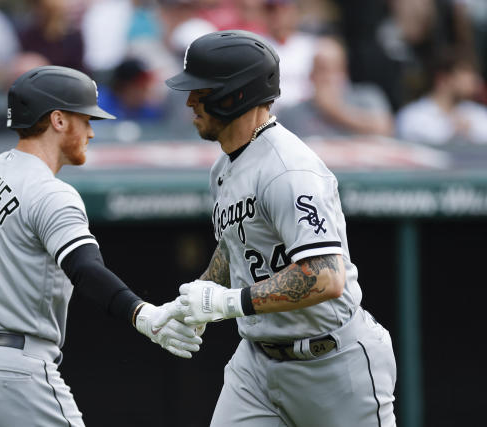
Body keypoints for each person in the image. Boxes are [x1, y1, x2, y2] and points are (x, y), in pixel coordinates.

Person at [0, 65, 202, 426]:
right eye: (85, 119)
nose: (91, 131)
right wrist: (144, 315)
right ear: (57, 120)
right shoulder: (51, 192)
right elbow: (85, 269)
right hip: (14, 375)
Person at [165, 30, 397, 426]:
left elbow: (325, 275)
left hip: (332, 364)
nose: (189, 101)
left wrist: (229, 303)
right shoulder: (224, 166)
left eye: (200, 91)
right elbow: (235, 243)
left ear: (235, 94)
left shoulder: (289, 169)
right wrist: (193, 302)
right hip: (255, 366)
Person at [276, 35, 394, 138]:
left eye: (335, 69)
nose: (328, 77)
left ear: (345, 73)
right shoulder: (292, 113)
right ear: (311, 76)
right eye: (322, 70)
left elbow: (385, 129)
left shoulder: (367, 97)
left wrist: (336, 111)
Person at [395, 47, 487, 145]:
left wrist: (470, 132)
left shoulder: (477, 113)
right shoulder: (412, 116)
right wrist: (452, 131)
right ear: (443, 79)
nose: (474, 80)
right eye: (465, 72)